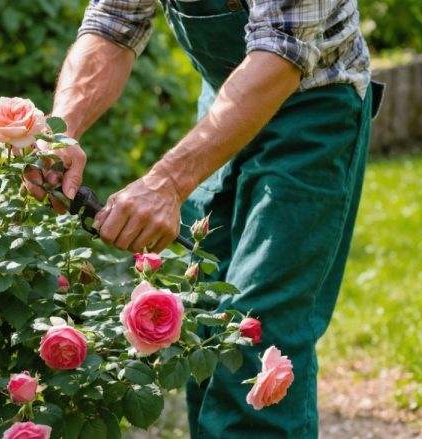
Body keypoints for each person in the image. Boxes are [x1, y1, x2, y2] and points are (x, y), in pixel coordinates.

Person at [24, 0, 383, 437]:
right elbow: (114, 22)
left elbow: (281, 53)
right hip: (227, 95)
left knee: (256, 327)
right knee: (207, 323)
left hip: (314, 106)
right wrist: (59, 133)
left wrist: (168, 183)